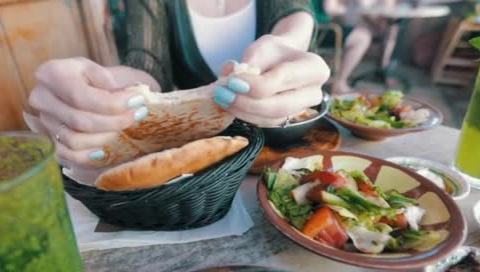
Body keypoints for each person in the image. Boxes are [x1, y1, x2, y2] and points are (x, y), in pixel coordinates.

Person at [25, 0, 329, 171]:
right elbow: (145, 69)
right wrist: (97, 90)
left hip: (287, 158)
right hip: (196, 176)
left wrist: (285, 52)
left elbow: (294, 22)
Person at [324, 0, 396, 93]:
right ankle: (340, 82)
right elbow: (331, 9)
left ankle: (384, 70)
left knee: (391, 30)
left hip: (332, 23)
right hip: (326, 27)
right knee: (365, 36)